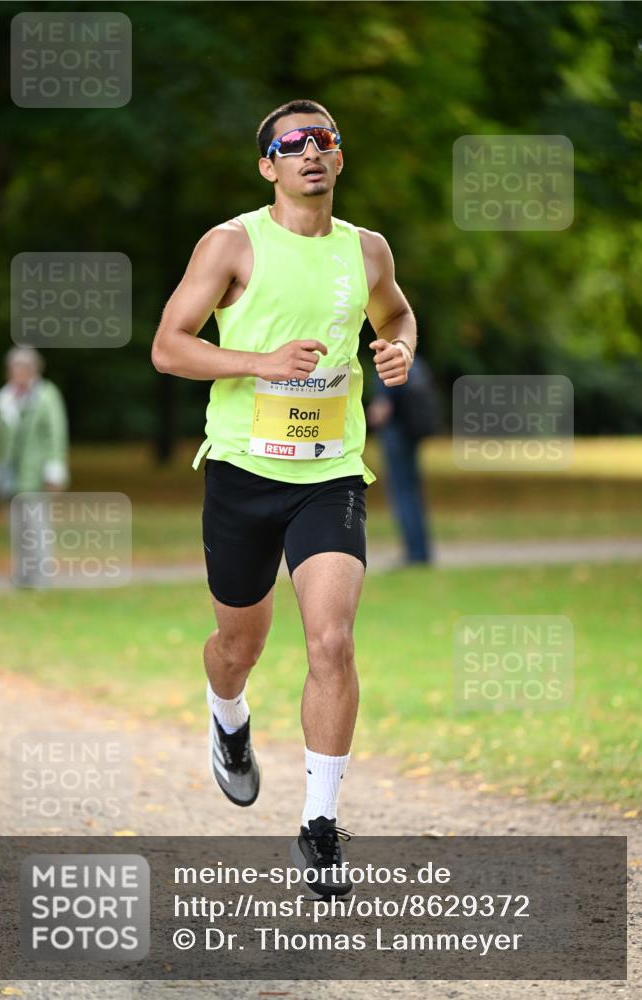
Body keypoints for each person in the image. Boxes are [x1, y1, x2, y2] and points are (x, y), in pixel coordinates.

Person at [151, 99, 416, 897]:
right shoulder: (232, 243)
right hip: (241, 471)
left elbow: (395, 310)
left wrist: (398, 345)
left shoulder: (365, 251)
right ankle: (227, 720)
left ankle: (320, 823)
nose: (309, 153)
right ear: (268, 165)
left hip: (329, 474)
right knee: (240, 646)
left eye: (322, 141)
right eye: (289, 144)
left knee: (330, 641)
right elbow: (169, 347)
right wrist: (257, 362)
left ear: (339, 158)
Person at [0, 346, 70, 586]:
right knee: (17, 527)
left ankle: (40, 576)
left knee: (37, 526)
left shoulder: (46, 396)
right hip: (11, 475)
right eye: (13, 368)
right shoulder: (4, 399)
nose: (17, 372)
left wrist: (55, 469)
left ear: (33, 369)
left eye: (22, 367)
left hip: (37, 473)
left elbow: (56, 434)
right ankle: (22, 575)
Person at [366, 355, 436, 564]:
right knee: (413, 492)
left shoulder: (387, 360)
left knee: (402, 493)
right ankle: (420, 549)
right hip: (412, 433)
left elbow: (382, 408)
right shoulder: (415, 361)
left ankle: (414, 553)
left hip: (396, 435)